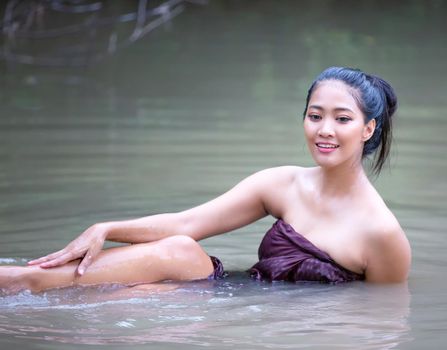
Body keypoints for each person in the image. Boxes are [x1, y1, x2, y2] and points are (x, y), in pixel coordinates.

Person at [0, 67, 411, 294]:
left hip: (287, 332)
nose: (324, 129)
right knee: (179, 251)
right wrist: (105, 228)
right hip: (228, 301)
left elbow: (380, 315)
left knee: (135, 297)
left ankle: (26, 284)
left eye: (342, 119)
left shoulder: (381, 234)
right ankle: (25, 281)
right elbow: (185, 224)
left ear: (368, 129)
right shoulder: (282, 184)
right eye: (315, 115)